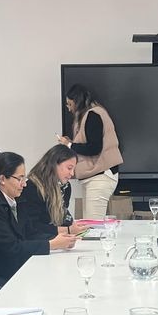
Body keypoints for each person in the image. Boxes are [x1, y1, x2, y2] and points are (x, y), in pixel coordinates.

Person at [0, 151, 78, 286]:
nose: (24, 184)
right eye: (19, 179)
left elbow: (29, 232)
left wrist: (62, 238)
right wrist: (52, 244)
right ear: (2, 179)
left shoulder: (15, 199)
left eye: (24, 178)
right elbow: (11, 247)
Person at [57, 84, 121, 219]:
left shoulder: (93, 115)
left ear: (77, 101)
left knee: (93, 224)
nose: (68, 108)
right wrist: (71, 144)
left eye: (70, 104)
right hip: (94, 176)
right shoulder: (91, 114)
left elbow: (94, 148)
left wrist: (69, 144)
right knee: (89, 223)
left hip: (100, 176)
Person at [19, 145, 89, 240]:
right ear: (54, 165)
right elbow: (32, 227)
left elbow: (64, 218)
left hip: (55, 239)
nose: (72, 174)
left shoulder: (65, 187)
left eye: (73, 169)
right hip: (38, 242)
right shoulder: (32, 187)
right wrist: (67, 230)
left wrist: (74, 227)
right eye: (69, 168)